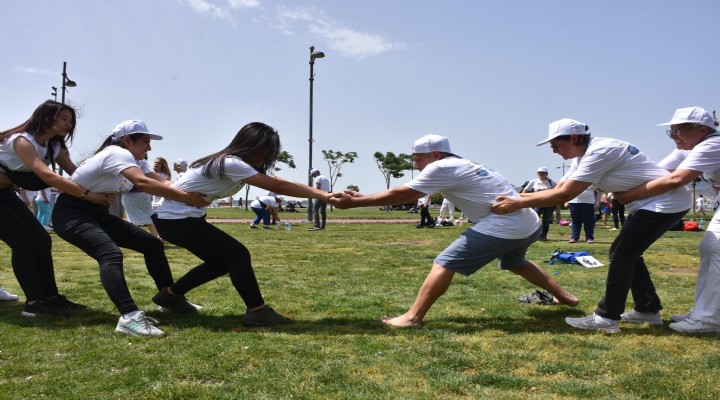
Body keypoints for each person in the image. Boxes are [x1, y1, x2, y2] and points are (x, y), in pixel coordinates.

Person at [332, 134, 579, 327]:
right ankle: (566, 297)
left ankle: (412, 317)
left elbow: (404, 193)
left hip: (505, 225)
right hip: (529, 223)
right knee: (517, 263)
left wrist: (355, 203)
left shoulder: (440, 167)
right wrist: (365, 197)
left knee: (444, 264)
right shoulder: (465, 164)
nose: (416, 165)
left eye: (417, 159)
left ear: (434, 154)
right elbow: (404, 190)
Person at [493, 118, 690, 333]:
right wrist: (510, 196)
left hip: (664, 203)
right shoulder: (582, 156)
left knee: (622, 254)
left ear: (575, 138)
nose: (554, 151)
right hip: (652, 203)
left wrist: (517, 202)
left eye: (556, 145)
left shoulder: (600, 151)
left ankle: (606, 318)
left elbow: (564, 195)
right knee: (628, 254)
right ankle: (647, 309)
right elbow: (559, 187)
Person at [151, 122, 334, 327]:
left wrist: (324, 194)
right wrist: (323, 195)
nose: (268, 156)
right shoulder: (231, 163)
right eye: (267, 150)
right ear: (252, 145)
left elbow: (277, 180)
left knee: (221, 262)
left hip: (177, 219)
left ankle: (170, 295)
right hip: (175, 219)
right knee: (238, 254)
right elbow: (277, 186)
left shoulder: (236, 164)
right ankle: (257, 311)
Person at [51, 120, 207, 337]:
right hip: (71, 213)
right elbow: (142, 183)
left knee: (152, 244)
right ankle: (129, 317)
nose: (149, 148)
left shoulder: (134, 159)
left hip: (98, 213)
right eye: (144, 141)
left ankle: (171, 300)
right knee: (110, 253)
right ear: (126, 140)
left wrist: (203, 190)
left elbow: (165, 183)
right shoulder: (117, 153)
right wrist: (187, 198)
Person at [0, 100, 113, 317]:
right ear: (45, 116)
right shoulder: (23, 141)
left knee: (42, 240)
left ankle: (51, 297)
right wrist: (88, 195)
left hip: (5, 192)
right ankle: (33, 303)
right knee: (23, 242)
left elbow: (77, 172)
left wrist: (104, 181)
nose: (68, 124)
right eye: (63, 118)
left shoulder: (55, 146)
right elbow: (47, 175)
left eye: (71, 121)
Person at [615, 106, 720, 333]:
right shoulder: (691, 148)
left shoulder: (712, 144)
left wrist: (628, 195)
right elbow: (657, 172)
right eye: (671, 132)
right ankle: (704, 311)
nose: (673, 137)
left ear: (702, 130)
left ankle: (710, 318)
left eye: (678, 131)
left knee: (716, 252)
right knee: (710, 250)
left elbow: (675, 180)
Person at [121, 156, 162, 238]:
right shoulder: (143, 165)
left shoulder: (126, 164)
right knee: (147, 216)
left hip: (134, 193)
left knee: (134, 218)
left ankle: (148, 238)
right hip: (139, 193)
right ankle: (155, 237)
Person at [521, 167, 557, 241]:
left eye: (543, 173)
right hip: (537, 202)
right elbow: (525, 190)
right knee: (535, 218)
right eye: (540, 173)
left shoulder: (550, 182)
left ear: (546, 174)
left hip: (549, 203)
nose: (541, 174)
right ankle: (533, 234)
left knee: (546, 220)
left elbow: (559, 189)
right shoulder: (534, 181)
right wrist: (521, 198)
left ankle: (543, 235)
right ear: (537, 173)